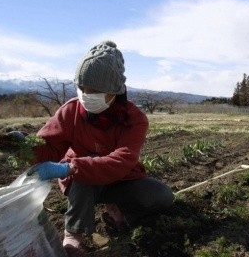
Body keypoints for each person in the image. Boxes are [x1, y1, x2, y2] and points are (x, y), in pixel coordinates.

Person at [25, 40, 175, 256]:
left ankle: (117, 207)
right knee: (82, 176)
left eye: (94, 90)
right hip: (81, 184)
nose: (86, 95)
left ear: (114, 91)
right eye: (82, 88)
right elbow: (47, 147)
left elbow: (122, 160)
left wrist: (67, 167)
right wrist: (23, 146)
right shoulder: (71, 111)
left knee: (162, 196)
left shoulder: (134, 119)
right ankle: (73, 236)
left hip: (119, 179)